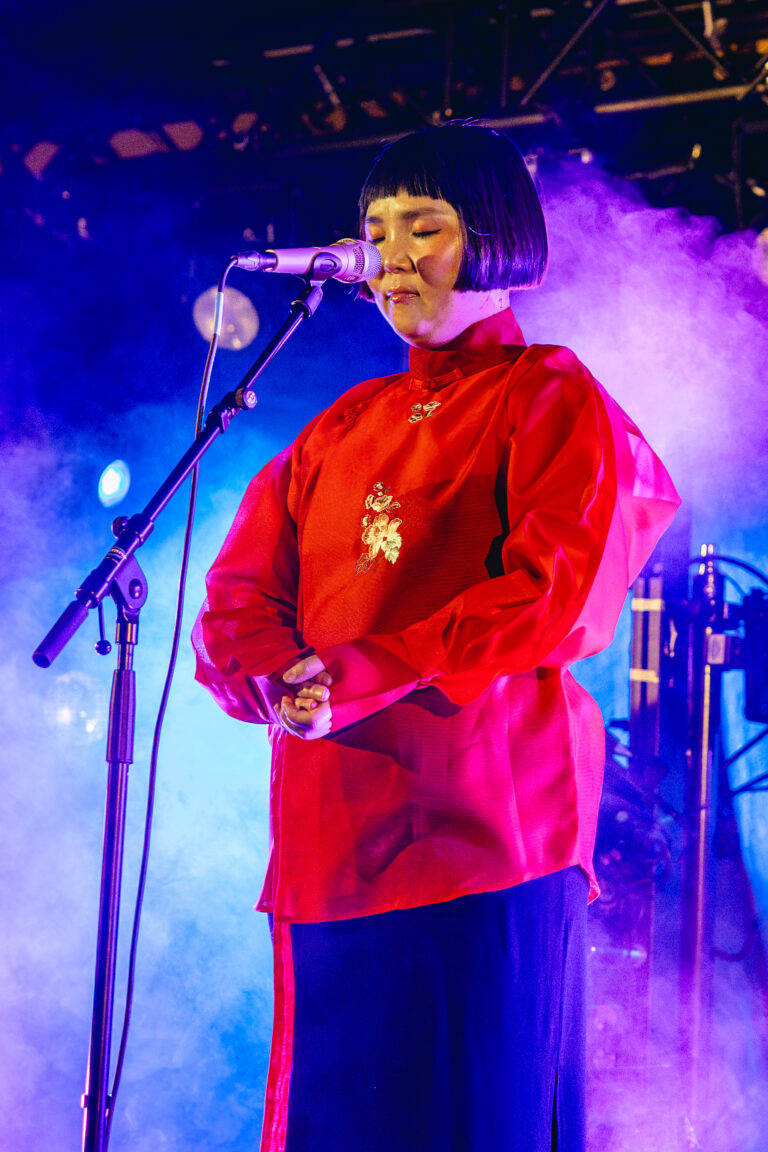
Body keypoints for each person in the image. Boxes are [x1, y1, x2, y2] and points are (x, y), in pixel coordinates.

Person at [192, 123, 680, 1152]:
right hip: (331, 843)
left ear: (493, 235)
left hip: (483, 839)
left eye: (425, 226)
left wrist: (362, 671)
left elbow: (556, 598)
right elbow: (236, 595)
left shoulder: (550, 393)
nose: (388, 254)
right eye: (374, 229)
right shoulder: (339, 425)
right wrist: (276, 681)